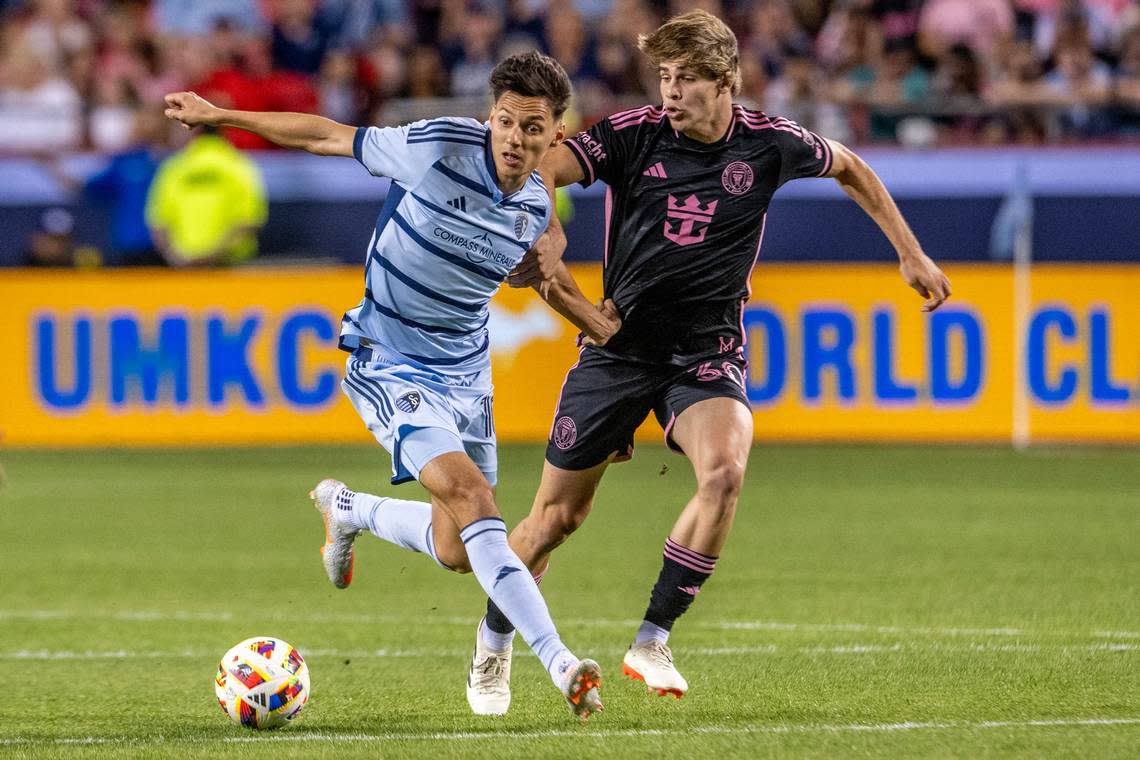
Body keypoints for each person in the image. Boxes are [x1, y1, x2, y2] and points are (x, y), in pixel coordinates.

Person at [468, 9, 952, 713]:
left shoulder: (769, 144)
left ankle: (652, 638)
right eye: (664, 76)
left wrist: (910, 252)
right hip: (618, 346)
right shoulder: (634, 135)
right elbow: (547, 167)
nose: (671, 91)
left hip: (706, 349)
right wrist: (545, 231)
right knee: (552, 523)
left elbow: (852, 165)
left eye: (687, 78)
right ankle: (492, 646)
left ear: (726, 81)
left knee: (724, 471)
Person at [162, 50, 618, 720]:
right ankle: (561, 664)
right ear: (488, 117)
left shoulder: (534, 206)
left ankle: (350, 509)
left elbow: (547, 280)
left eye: (533, 128)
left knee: (457, 548)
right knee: (474, 496)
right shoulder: (434, 146)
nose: (515, 139)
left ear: (555, 135)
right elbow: (326, 135)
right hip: (389, 357)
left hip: (466, 373)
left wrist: (606, 331)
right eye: (506, 122)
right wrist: (220, 115)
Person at [144, 124, 267, 267]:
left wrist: (173, 256)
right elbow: (250, 220)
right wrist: (213, 255)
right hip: (229, 266)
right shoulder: (239, 165)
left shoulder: (174, 168)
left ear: (193, 129)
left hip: (185, 266)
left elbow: (158, 221)